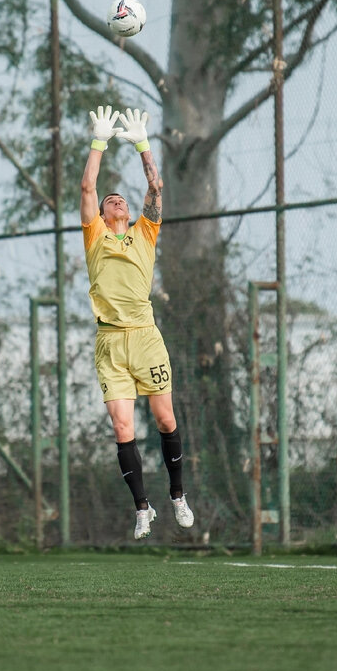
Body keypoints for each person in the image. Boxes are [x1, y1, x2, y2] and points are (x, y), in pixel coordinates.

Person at [80, 105, 195, 540]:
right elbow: (88, 185)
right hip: (111, 343)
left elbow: (155, 185)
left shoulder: (145, 231)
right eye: (111, 201)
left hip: (146, 339)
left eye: (121, 199)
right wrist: (99, 142)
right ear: (104, 214)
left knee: (165, 420)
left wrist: (143, 144)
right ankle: (142, 507)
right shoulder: (96, 235)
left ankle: (178, 495)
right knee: (122, 426)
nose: (116, 200)